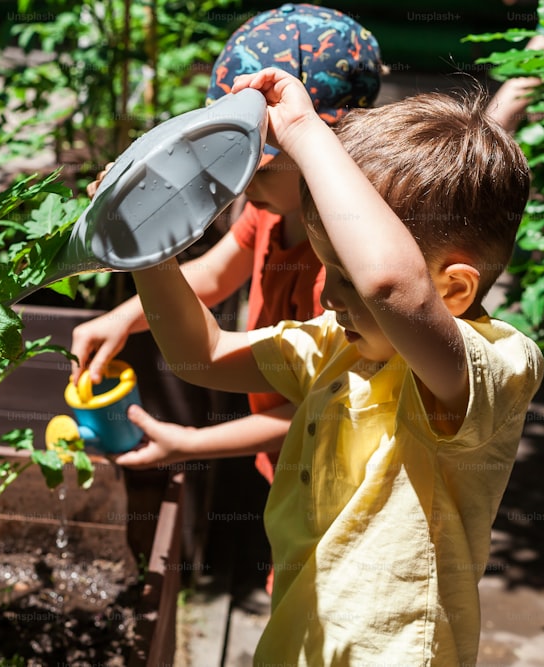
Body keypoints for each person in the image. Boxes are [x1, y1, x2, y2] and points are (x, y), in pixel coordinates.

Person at [129, 66, 544, 663]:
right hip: (302, 639)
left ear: (453, 291)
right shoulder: (337, 346)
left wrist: (301, 129)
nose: (327, 297)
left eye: (341, 278)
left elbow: (389, 284)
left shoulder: (496, 366)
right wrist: (149, 247)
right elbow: (203, 355)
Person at [70, 4, 384, 485]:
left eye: (259, 158)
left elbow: (315, 404)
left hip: (334, 476)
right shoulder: (270, 210)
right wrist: (121, 317)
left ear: (330, 143)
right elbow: (217, 274)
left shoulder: (344, 271)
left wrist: (190, 444)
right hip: (287, 477)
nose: (238, 179)